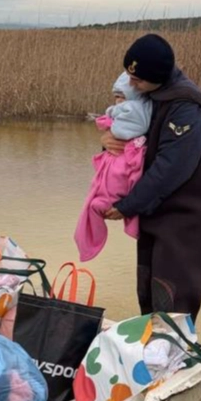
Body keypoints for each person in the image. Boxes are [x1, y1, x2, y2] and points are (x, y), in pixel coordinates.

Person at [101, 34, 201, 321]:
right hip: (153, 211)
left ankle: (175, 345)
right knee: (149, 294)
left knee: (173, 302)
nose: (131, 85)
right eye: (130, 76)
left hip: (184, 218)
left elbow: (171, 168)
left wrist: (129, 205)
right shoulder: (151, 95)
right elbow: (134, 142)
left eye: (137, 80)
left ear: (158, 77)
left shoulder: (187, 107)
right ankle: (152, 343)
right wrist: (108, 141)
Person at [74, 71, 151, 262]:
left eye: (121, 96)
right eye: (116, 97)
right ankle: (89, 238)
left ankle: (91, 238)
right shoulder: (131, 109)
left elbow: (128, 130)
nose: (118, 102)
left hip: (138, 183)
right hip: (125, 167)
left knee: (113, 184)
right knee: (101, 189)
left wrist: (127, 207)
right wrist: (107, 138)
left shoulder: (139, 110)